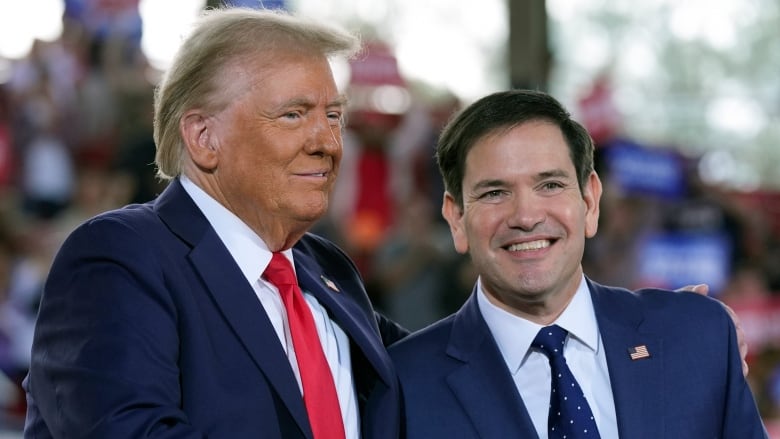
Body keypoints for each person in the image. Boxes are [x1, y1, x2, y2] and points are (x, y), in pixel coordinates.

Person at [23, 8, 407, 439]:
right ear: (204, 138)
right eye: (294, 115)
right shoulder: (119, 258)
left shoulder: (328, 269)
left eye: (333, 116)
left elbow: (442, 368)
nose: (327, 142)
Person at [387, 89, 767, 438]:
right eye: (495, 192)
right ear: (456, 219)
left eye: (550, 185)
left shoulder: (697, 336)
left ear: (590, 201)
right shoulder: (403, 384)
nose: (526, 216)